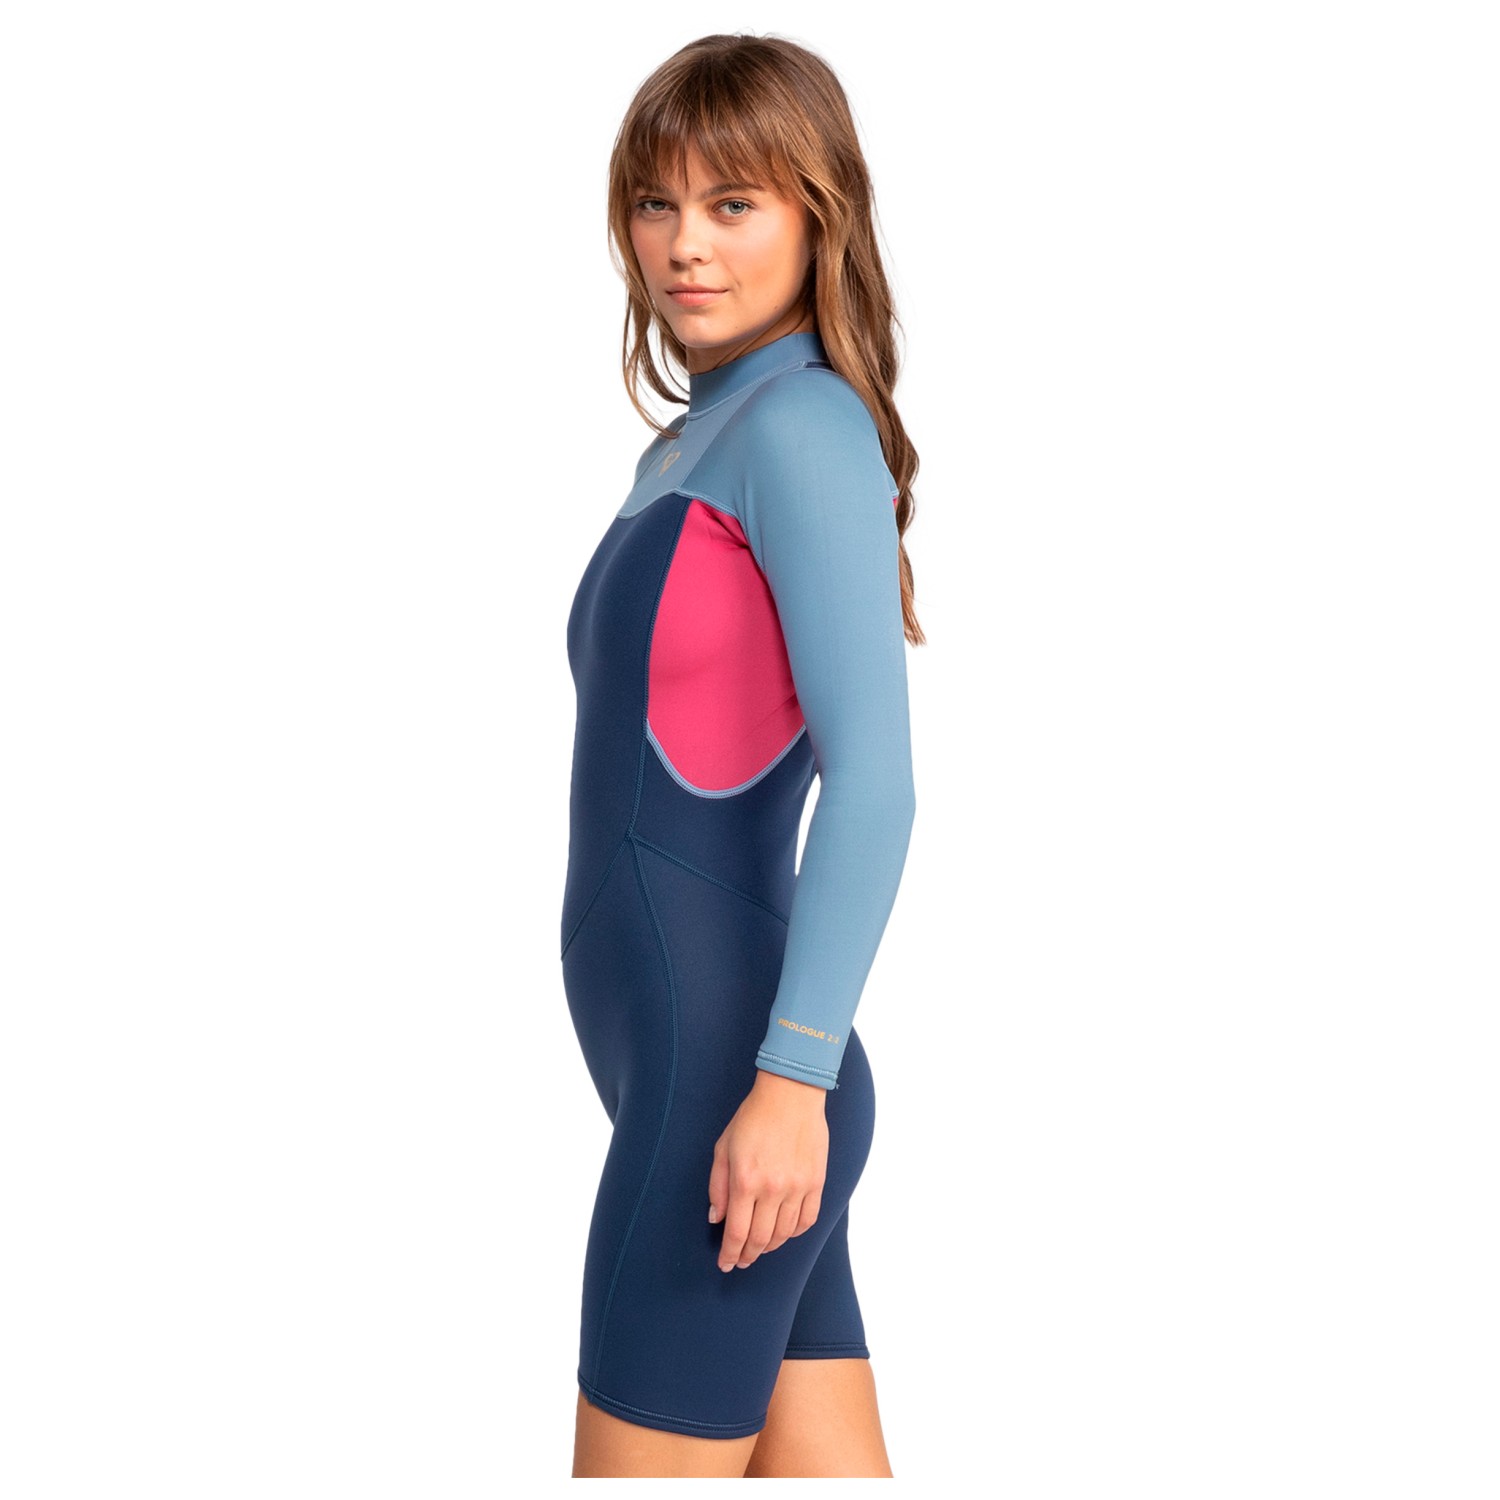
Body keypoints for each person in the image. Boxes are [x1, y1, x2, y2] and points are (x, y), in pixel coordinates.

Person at [559, 32, 924, 1479]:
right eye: (656, 203)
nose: (684, 245)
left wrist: (789, 1081)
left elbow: (876, 785)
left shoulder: (805, 425)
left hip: (733, 1094)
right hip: (704, 1076)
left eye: (732, 204)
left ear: (818, 214)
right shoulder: (698, 437)